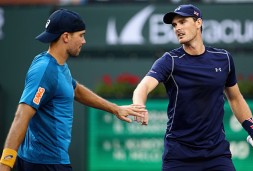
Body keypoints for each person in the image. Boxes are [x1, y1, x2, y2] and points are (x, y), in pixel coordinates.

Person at [0, 9, 146, 171]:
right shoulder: (45, 69)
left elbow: (75, 90)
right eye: (81, 35)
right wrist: (5, 165)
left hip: (46, 161)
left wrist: (115, 109)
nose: (83, 41)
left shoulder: (57, 66)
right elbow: (22, 115)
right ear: (66, 37)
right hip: (44, 164)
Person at [132, 4, 253, 171]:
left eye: (182, 22)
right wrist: (139, 105)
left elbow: (236, 98)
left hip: (216, 154)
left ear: (198, 23)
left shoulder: (223, 58)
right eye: (174, 25)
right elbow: (143, 86)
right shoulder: (170, 60)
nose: (177, 28)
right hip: (179, 156)